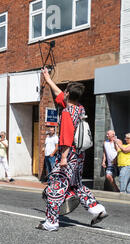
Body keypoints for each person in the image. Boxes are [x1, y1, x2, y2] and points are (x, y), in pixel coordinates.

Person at [38, 68, 107, 231]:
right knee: (76, 186)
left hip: (68, 156)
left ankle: (51, 222)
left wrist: (63, 158)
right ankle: (98, 209)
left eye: (65, 90)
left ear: (68, 93)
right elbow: (59, 94)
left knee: (56, 185)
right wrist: (48, 79)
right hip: (79, 156)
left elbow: (66, 138)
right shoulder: (79, 108)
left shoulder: (68, 113)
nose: (63, 92)